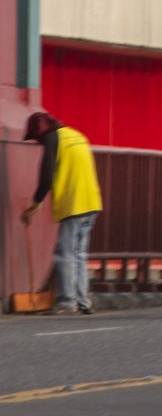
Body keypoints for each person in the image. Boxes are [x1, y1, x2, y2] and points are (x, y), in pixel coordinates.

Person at [18, 111, 102, 316]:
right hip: (92, 202)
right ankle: (83, 301)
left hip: (74, 204)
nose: (38, 142)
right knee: (79, 254)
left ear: (40, 131)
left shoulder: (52, 139)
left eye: (36, 138)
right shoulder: (77, 136)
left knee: (64, 253)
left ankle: (66, 302)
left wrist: (35, 205)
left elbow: (46, 176)